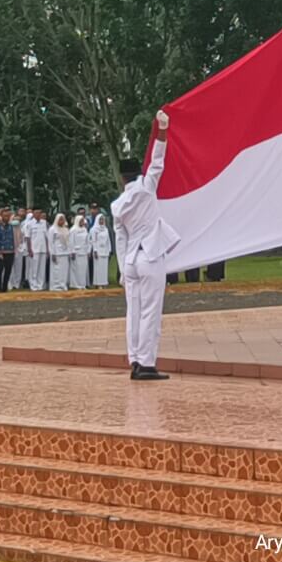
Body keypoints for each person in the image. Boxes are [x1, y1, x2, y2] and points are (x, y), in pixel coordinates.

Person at [113, 108, 178, 379]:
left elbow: (120, 239)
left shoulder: (117, 205)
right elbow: (158, 160)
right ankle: (147, 363)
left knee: (134, 313)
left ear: (121, 179)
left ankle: (135, 361)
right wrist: (162, 129)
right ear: (137, 174)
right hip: (149, 257)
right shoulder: (147, 187)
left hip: (130, 261)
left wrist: (120, 270)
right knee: (151, 311)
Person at [0, 209, 16, 293]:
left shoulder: (11, 226)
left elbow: (14, 238)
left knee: (8, 270)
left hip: (10, 250)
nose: (7, 217)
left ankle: (5, 287)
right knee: (0, 269)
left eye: (8, 216)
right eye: (5, 215)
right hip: (1, 251)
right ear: (1, 216)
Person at [27, 210, 49, 291]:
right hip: (34, 249)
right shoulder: (30, 223)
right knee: (34, 268)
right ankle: (33, 285)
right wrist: (29, 249)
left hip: (43, 249)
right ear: (33, 214)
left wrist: (47, 249)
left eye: (40, 213)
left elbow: (46, 237)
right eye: (37, 213)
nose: (39, 214)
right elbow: (28, 237)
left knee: (41, 269)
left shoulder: (44, 222)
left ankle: (41, 285)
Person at [48, 214, 71, 291]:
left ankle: (63, 284)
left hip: (65, 252)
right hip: (56, 252)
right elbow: (50, 242)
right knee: (56, 269)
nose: (61, 221)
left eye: (63, 219)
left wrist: (69, 251)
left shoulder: (66, 229)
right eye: (60, 219)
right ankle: (56, 286)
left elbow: (68, 241)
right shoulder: (52, 229)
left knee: (64, 270)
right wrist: (52, 253)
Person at [70, 215, 91, 289]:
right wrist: (72, 251)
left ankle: (83, 284)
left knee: (83, 269)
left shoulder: (85, 229)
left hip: (84, 252)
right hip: (76, 252)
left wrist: (88, 251)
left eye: (83, 221)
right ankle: (76, 284)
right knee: (77, 269)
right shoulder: (73, 230)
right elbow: (71, 241)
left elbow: (88, 241)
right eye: (81, 221)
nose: (82, 222)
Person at [92, 214, 112, 288]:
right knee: (98, 268)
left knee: (104, 268)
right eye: (100, 219)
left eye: (102, 219)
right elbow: (94, 241)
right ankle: (98, 283)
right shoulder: (94, 229)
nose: (101, 221)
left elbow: (108, 240)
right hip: (98, 250)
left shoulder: (106, 229)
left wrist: (109, 249)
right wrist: (95, 250)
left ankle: (104, 282)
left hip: (105, 250)